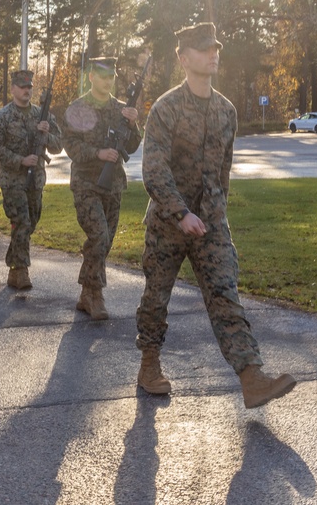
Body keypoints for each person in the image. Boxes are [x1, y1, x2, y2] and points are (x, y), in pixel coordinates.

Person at [135, 22, 296, 409]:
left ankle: (251, 377)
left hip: (211, 225)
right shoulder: (165, 108)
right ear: (184, 58)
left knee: (225, 294)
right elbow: (154, 171)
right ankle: (149, 363)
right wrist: (181, 213)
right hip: (168, 226)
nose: (213, 54)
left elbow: (222, 171)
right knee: (156, 297)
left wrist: (214, 215)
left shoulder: (227, 111)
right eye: (205, 49)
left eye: (216, 48)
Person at [63, 57, 141, 320]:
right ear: (91, 77)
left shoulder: (121, 109)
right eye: (102, 76)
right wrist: (98, 152)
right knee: (99, 236)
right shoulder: (78, 107)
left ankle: (86, 292)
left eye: (111, 77)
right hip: (86, 184)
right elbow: (71, 145)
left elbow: (131, 147)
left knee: (104, 243)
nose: (108, 81)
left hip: (113, 185)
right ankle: (96, 295)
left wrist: (133, 124)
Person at [0, 69, 62, 290]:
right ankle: (21, 272)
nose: (26, 90)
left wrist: (47, 134)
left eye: (29, 87)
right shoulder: (2, 117)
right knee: (22, 222)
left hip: (36, 180)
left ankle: (13, 263)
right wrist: (21, 160)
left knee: (32, 222)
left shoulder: (43, 115)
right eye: (22, 87)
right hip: (12, 181)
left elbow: (59, 145)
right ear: (12, 89)